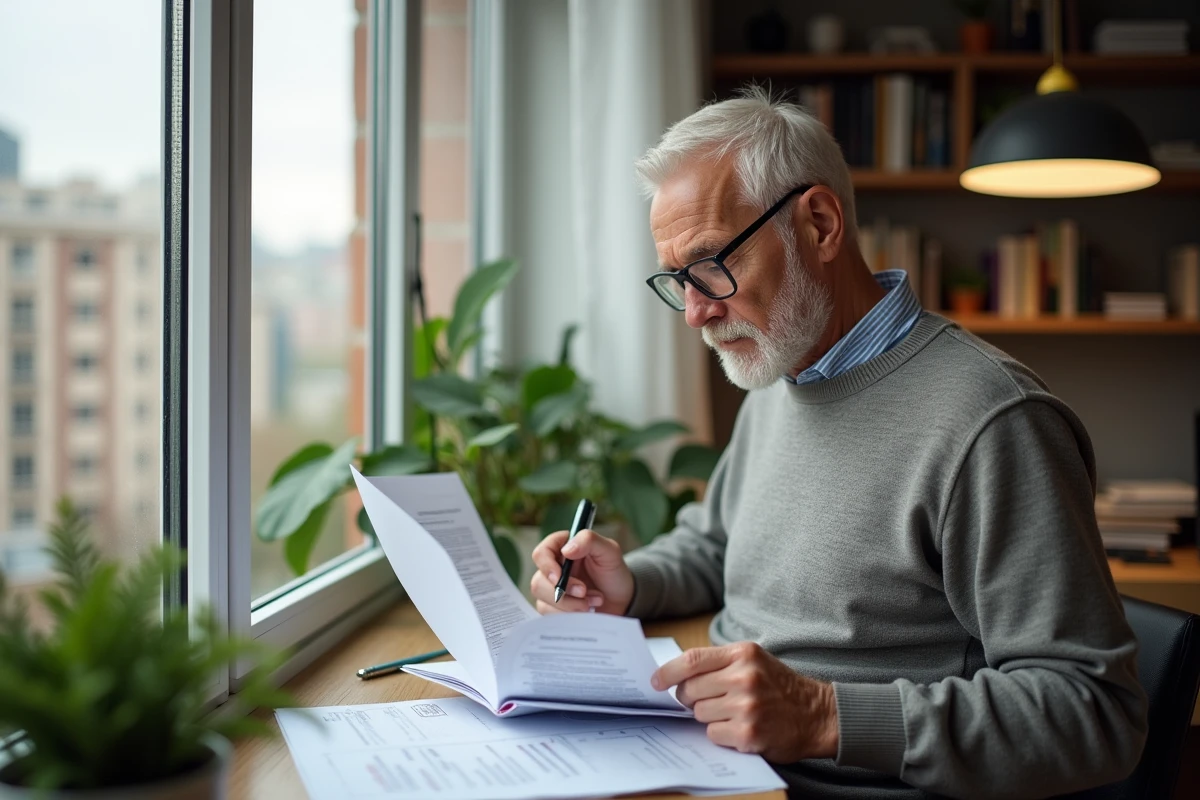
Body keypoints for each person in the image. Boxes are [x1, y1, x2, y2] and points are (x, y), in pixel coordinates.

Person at [529, 86, 1148, 799]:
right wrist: (629, 581)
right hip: (723, 763)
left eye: (710, 265)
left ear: (819, 224)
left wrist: (826, 715)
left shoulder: (993, 422)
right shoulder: (779, 371)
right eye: (677, 280)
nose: (696, 312)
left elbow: (1096, 715)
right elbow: (718, 542)